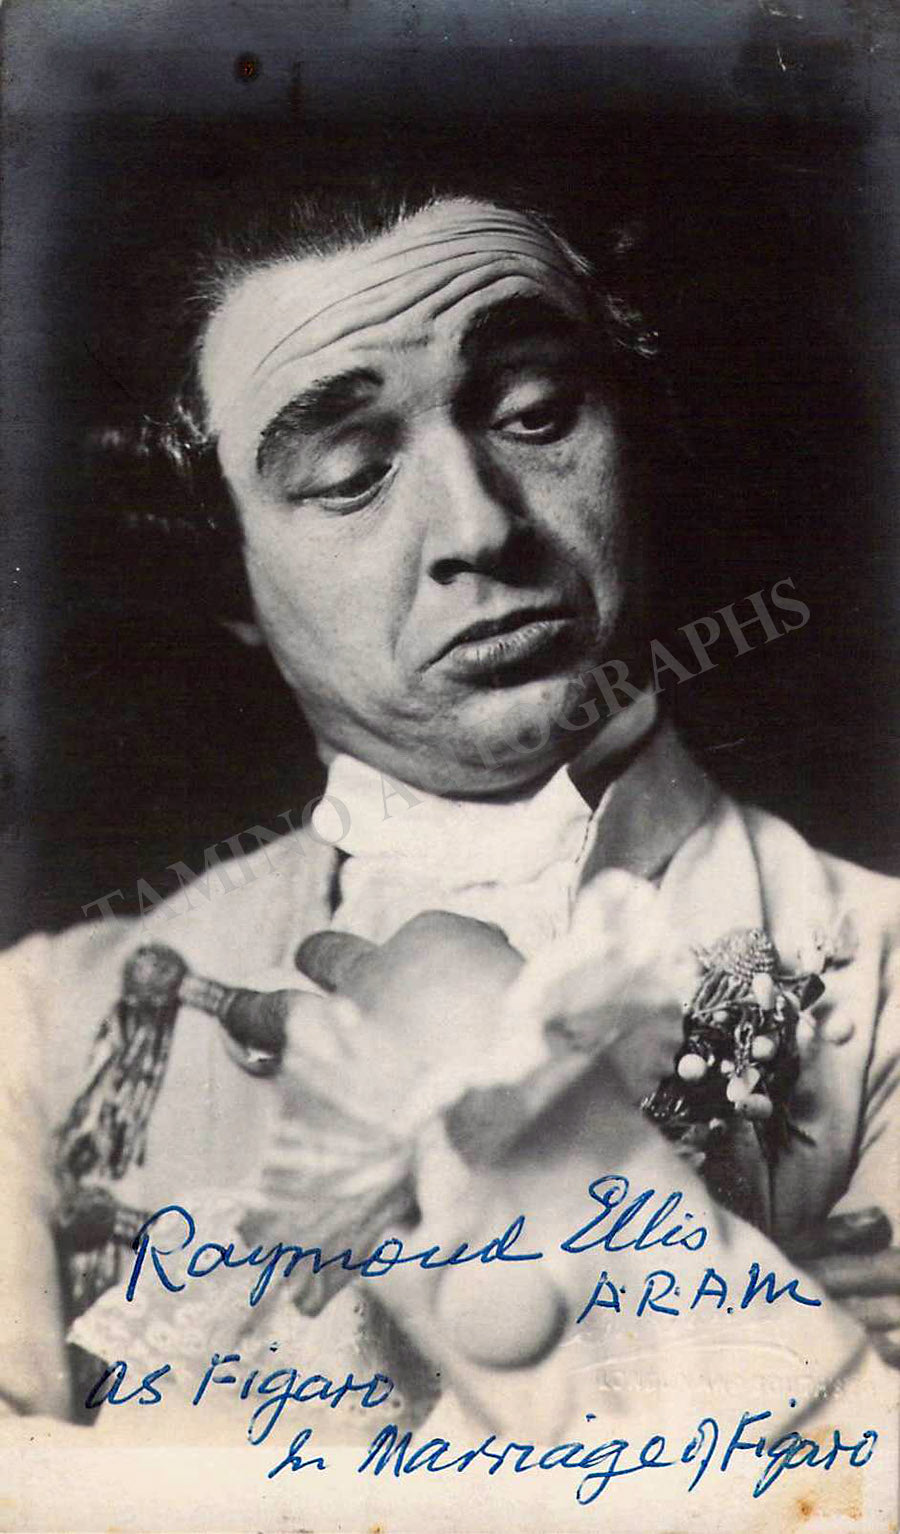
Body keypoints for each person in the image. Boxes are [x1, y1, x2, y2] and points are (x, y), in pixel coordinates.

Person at [1, 169, 898, 1527]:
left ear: (639, 433)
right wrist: (759, 1321)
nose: (481, 528)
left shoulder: (882, 970)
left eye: (536, 413)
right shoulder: (47, 1028)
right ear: (224, 571)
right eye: (349, 475)